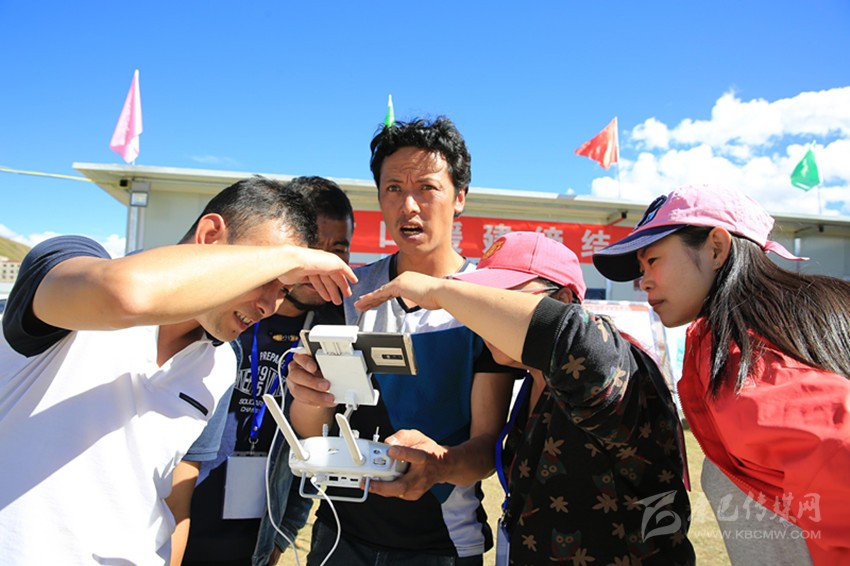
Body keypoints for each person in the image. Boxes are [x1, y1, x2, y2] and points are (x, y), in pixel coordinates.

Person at [0, 176, 356, 564]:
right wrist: (290, 258)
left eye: (284, 288)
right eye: (262, 274)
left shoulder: (220, 363)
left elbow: (174, 502)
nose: (270, 304)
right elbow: (123, 294)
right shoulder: (71, 267)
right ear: (210, 236)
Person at [353, 231, 695, 565]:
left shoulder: (612, 359)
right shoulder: (533, 380)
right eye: (481, 300)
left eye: (503, 299)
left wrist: (439, 291)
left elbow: (572, 337)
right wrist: (439, 464)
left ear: (564, 301)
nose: (482, 317)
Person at [288, 117, 516, 565]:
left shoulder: (487, 301)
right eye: (393, 188)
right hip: (340, 533)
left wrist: (440, 464)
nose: (409, 205)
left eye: (427, 188)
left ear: (460, 197)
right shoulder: (348, 292)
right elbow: (313, 429)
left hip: (444, 544)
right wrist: (307, 395)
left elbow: (486, 447)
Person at [591, 184, 850, 565]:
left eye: (654, 260)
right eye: (641, 269)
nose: (643, 281)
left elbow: (836, 450)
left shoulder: (747, 354)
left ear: (716, 248)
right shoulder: (805, 314)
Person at [176, 177, 355, 566]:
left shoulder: (332, 335)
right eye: (310, 251)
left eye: (337, 250)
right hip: (178, 518)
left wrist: (282, 534)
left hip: (254, 540)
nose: (319, 266)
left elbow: (314, 449)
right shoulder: (224, 314)